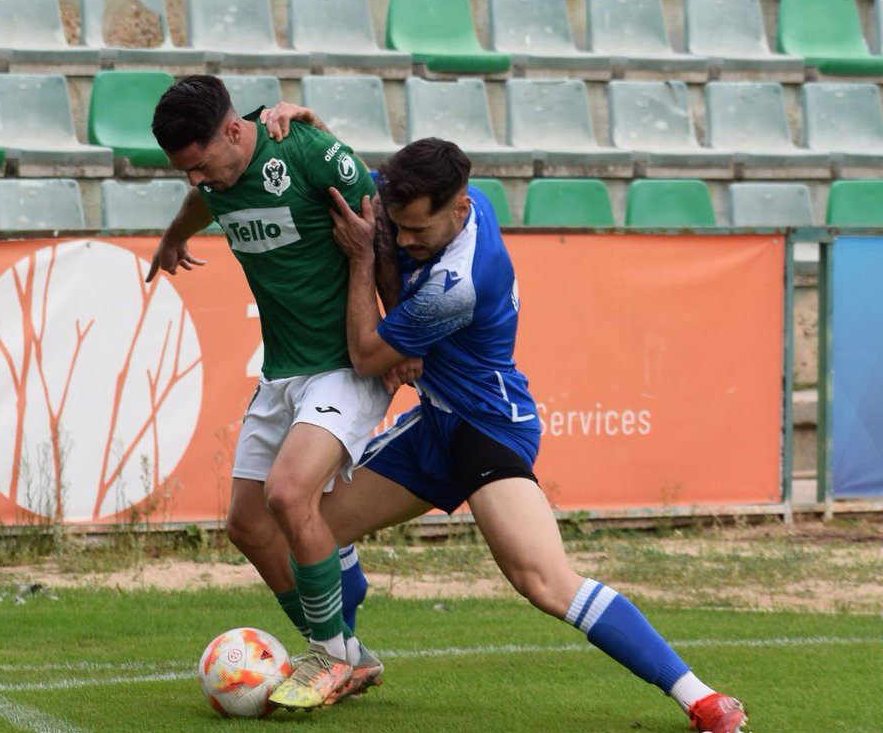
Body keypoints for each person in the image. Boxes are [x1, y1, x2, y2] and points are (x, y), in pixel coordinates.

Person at [311, 135, 749, 733]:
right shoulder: (462, 201)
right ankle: (345, 657)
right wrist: (309, 124)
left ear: (459, 209)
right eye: (398, 225)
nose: (405, 238)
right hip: (437, 421)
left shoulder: (461, 280)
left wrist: (365, 259)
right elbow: (349, 178)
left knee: (543, 581)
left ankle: (702, 698)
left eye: (417, 229)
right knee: (314, 526)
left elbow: (367, 355)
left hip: (487, 429)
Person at [148, 75, 407, 710]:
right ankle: (348, 652)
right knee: (247, 526)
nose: (196, 180)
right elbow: (204, 201)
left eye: (200, 165)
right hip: (281, 372)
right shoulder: (215, 181)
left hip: (345, 365)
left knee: (288, 495)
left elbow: (381, 234)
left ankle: (329, 657)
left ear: (233, 130)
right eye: (184, 172)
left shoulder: (305, 150)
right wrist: (176, 235)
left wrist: (401, 340)